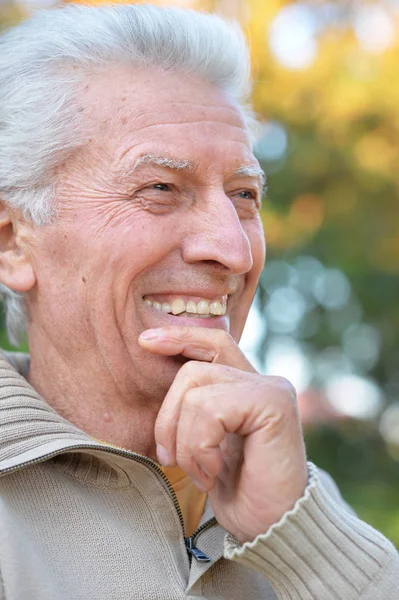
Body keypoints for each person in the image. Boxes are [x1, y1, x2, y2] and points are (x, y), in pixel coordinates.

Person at [0, 4, 397, 599]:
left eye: (244, 195)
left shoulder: (296, 499)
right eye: (159, 188)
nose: (233, 250)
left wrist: (305, 540)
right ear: (13, 242)